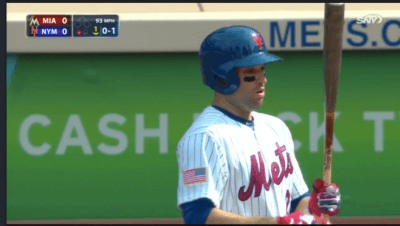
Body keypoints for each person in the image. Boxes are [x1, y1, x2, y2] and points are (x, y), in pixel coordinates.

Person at [176, 26, 341, 224]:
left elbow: (297, 201)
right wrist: (275, 223)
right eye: (250, 73)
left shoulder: (276, 127)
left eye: (262, 70)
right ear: (222, 77)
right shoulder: (204, 137)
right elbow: (197, 216)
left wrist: (314, 206)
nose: (262, 80)